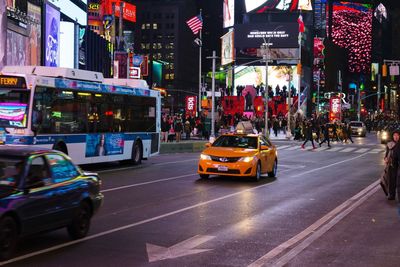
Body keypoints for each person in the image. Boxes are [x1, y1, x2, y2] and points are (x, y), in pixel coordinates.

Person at [385, 130, 400, 200]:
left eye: (397, 135)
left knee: (398, 182)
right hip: (392, 165)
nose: (396, 137)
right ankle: (392, 195)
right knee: (391, 181)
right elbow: (386, 154)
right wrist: (386, 159)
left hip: (398, 165)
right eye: (394, 135)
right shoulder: (390, 144)